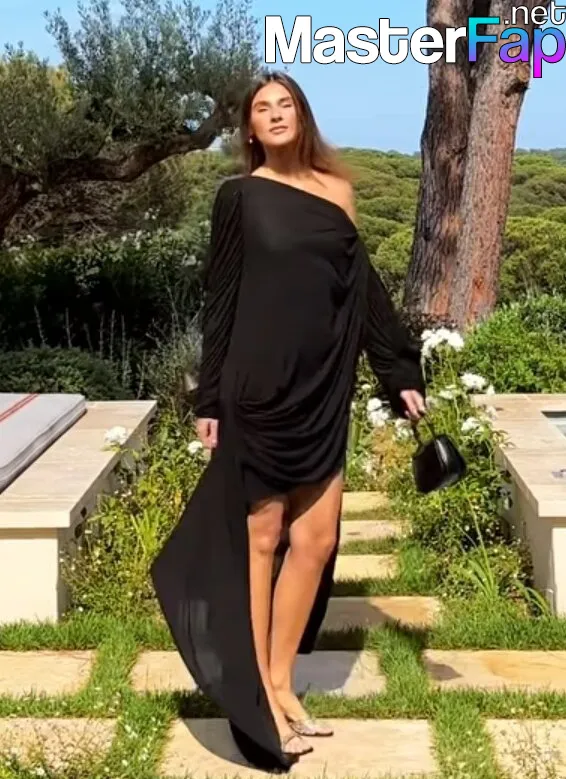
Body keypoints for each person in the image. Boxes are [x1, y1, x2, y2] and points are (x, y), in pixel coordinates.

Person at [150, 70, 427, 772]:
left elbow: (362, 289)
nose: (275, 114)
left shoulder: (338, 192)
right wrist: (209, 397)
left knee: (318, 538)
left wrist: (399, 370)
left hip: (322, 384)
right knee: (263, 536)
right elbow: (220, 296)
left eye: (286, 104)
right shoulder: (239, 196)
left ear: (302, 116)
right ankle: (258, 697)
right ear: (249, 128)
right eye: (262, 108)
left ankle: (279, 680)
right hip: (258, 385)